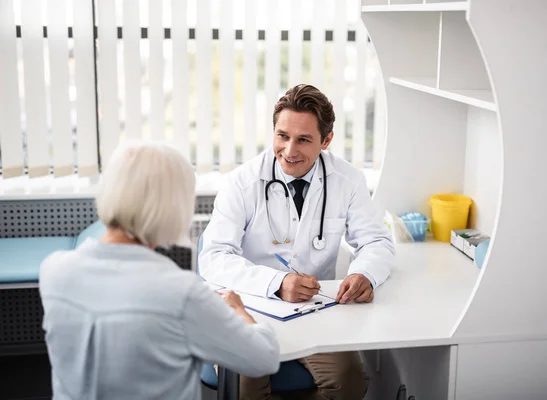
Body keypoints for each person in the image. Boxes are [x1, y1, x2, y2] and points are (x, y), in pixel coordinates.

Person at [198, 84, 396, 399]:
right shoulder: (242, 183)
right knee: (246, 383)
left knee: (349, 380)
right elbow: (214, 257)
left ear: (326, 140)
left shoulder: (348, 181)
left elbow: (376, 242)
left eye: (303, 140)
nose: (290, 150)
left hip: (313, 312)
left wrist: (366, 274)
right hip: (250, 305)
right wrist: (278, 282)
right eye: (282, 136)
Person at [39, 141, 280, 400]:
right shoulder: (181, 293)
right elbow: (263, 359)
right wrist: (239, 312)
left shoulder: (54, 270)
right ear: (173, 207)